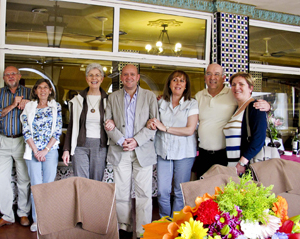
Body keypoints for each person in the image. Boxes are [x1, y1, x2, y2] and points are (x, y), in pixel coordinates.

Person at [104, 64, 158, 237]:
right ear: (121, 78)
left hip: (143, 151)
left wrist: (136, 141)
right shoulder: (113, 97)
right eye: (125, 74)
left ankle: (143, 232)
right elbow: (107, 123)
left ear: (138, 77)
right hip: (120, 151)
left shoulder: (150, 96)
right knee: (121, 193)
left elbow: (154, 124)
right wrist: (121, 140)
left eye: (132, 74)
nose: (129, 77)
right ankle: (123, 229)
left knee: (144, 194)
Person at [194, 63, 269, 177]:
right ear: (204, 77)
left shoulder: (236, 96)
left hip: (229, 158)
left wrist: (267, 106)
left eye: (217, 74)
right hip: (206, 155)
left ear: (223, 78)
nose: (212, 77)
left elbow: (258, 137)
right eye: (209, 74)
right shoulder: (199, 96)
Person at [147, 71, 198, 217]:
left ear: (186, 85)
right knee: (162, 191)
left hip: (184, 153)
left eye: (182, 81)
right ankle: (165, 222)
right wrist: (151, 123)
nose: (178, 83)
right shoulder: (160, 102)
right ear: (169, 84)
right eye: (175, 80)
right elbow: (152, 121)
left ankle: (177, 224)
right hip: (164, 152)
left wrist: (166, 128)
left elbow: (190, 130)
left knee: (179, 191)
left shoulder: (192, 103)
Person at [0, 66, 31, 228]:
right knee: (0, 178)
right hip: (3, 140)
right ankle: (7, 215)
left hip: (23, 140)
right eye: (7, 75)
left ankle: (23, 213)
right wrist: (14, 105)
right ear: (3, 78)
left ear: (19, 76)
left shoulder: (29, 93)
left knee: (23, 179)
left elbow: (43, 106)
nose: (10, 76)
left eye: (13, 73)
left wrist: (29, 103)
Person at [20, 79, 62, 232]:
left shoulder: (55, 107)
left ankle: (48, 219)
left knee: (48, 186)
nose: (43, 90)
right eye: (39, 88)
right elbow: (26, 130)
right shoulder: (29, 106)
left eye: (46, 87)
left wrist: (45, 150)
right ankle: (37, 220)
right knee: (36, 186)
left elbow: (57, 130)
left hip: (50, 151)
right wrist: (36, 150)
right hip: (33, 151)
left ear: (50, 90)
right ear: (35, 91)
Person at [62, 63, 109, 181]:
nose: (94, 78)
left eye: (97, 75)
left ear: (102, 79)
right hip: (80, 146)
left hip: (100, 146)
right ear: (86, 78)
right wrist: (66, 149)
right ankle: (82, 201)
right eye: (91, 75)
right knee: (81, 182)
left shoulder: (109, 101)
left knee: (96, 182)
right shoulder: (77, 100)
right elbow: (71, 127)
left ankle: (93, 201)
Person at [223, 72, 267, 176]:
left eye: (241, 84)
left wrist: (242, 162)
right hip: (232, 166)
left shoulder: (256, 107)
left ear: (250, 88)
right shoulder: (236, 109)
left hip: (245, 167)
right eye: (233, 84)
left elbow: (258, 139)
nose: (236, 87)